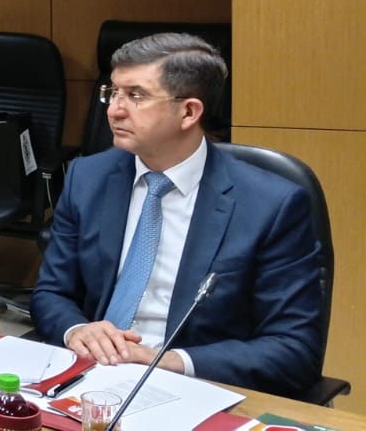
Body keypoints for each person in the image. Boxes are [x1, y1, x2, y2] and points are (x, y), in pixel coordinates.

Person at [32, 33, 323, 397]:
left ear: (189, 112)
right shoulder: (87, 177)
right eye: (113, 92)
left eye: (135, 96)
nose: (114, 110)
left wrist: (169, 361)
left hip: (195, 387)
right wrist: (77, 330)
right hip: (89, 378)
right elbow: (51, 292)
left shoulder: (271, 205)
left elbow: (294, 349)